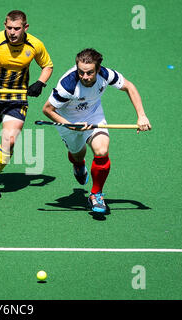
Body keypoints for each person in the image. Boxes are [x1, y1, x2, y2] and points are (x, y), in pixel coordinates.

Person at [42, 48, 151, 213]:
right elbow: (48, 110)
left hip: (93, 115)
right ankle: (79, 164)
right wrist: (70, 125)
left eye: (89, 73)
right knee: (78, 154)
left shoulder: (106, 75)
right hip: (68, 119)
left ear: (98, 69)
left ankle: (96, 194)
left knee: (101, 150)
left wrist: (141, 116)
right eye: (81, 72)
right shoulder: (68, 85)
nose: (85, 77)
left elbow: (129, 86)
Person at [0, 10, 53, 198]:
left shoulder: (35, 44)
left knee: (10, 140)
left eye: (17, 28)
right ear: (4, 26)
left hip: (16, 98)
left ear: (25, 27)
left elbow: (47, 65)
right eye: (9, 28)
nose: (12, 33)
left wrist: (40, 82)